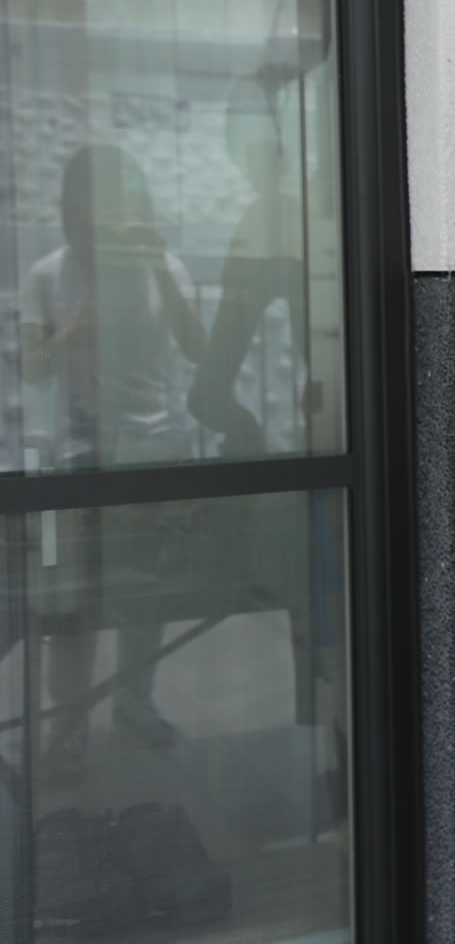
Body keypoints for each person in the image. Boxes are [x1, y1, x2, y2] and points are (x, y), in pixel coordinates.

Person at [21, 145, 206, 779]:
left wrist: (157, 267)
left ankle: (133, 706)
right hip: (82, 457)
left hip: (156, 449)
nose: (115, 210)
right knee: (74, 606)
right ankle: (68, 727)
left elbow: (196, 348)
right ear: (76, 207)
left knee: (146, 598)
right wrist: (71, 334)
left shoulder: (162, 264)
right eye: (100, 198)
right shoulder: (50, 273)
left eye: (126, 196)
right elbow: (29, 368)